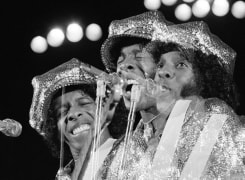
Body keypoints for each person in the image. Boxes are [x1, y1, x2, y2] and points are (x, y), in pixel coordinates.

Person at [98, 11, 245, 179]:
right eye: (119, 62)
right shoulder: (123, 150)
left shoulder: (210, 117)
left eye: (139, 57)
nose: (123, 67)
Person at [29, 58, 128, 180]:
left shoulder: (131, 151)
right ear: (55, 130)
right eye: (62, 112)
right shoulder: (64, 177)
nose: (74, 113)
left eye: (84, 103)